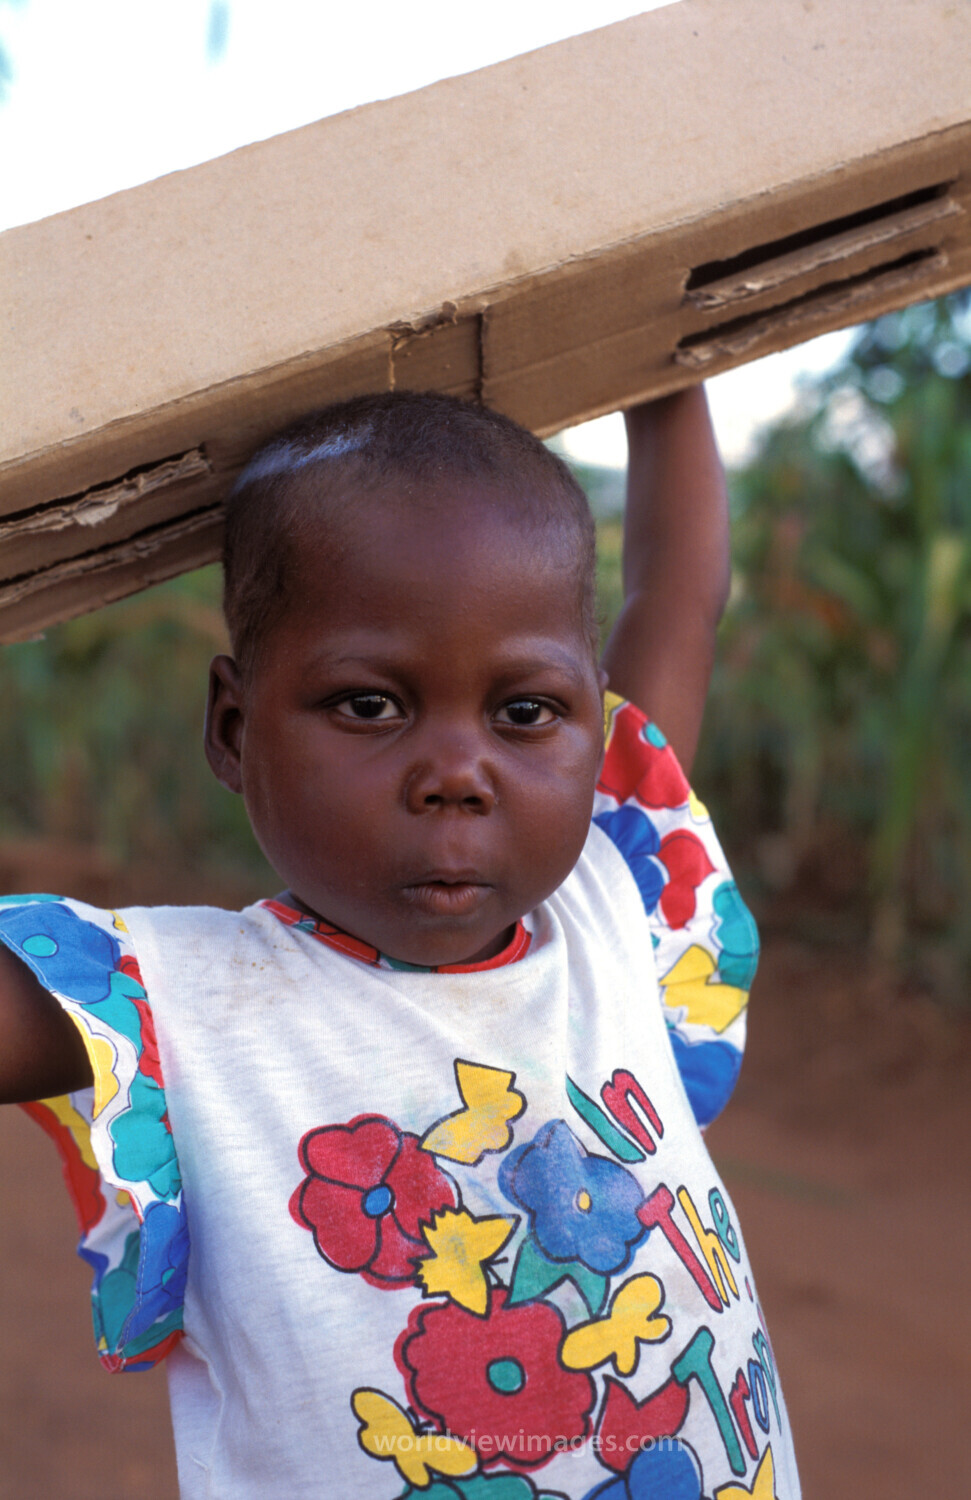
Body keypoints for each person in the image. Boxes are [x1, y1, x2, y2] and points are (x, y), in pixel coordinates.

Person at [0, 387, 800, 1498]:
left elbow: (677, 598)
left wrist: (666, 372)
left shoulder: (618, 896)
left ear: (592, 721)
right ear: (234, 728)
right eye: (370, 705)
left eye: (524, 712)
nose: (456, 774)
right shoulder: (166, 1001)